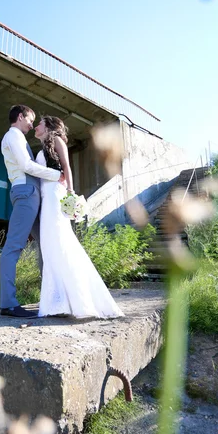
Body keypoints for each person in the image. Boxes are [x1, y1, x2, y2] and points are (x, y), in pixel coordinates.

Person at [34, 115, 124, 319]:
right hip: (45, 197)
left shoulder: (57, 140)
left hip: (56, 194)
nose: (35, 126)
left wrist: (70, 193)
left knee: (61, 242)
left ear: (48, 126)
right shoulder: (40, 150)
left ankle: (79, 301)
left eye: (39, 123)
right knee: (49, 246)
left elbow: (66, 167)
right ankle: (58, 303)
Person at [0, 105, 65, 318]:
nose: (32, 124)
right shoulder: (13, 136)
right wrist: (57, 175)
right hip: (26, 192)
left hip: (32, 193)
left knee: (46, 244)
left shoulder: (19, 137)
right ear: (20, 117)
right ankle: (8, 303)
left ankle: (53, 298)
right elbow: (26, 165)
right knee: (14, 246)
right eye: (30, 119)